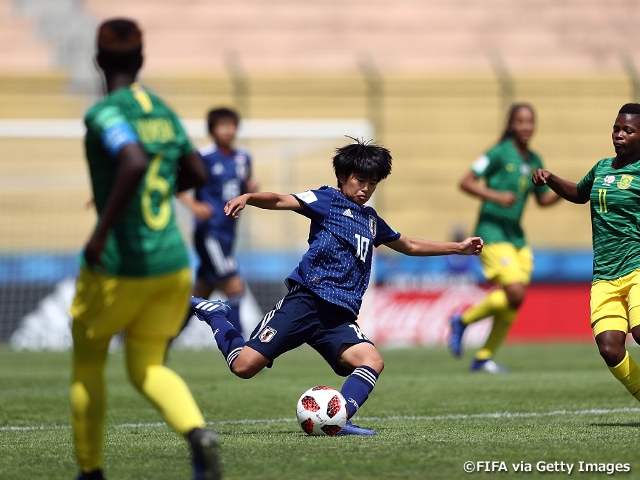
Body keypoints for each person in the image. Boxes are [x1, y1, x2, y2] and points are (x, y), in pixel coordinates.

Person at [189, 138, 484, 435]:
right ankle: (215, 314)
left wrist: (458, 248)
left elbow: (408, 245)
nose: (365, 188)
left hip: (338, 317)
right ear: (343, 177)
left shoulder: (371, 221)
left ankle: (338, 419)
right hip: (306, 302)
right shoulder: (327, 200)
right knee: (243, 367)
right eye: (359, 180)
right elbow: (282, 200)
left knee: (372, 361)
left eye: (372, 183)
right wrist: (250, 197)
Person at [69, 18, 221, 480]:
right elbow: (197, 172)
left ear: (98, 61)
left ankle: (91, 471)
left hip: (120, 264)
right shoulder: (162, 110)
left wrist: (99, 234)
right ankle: (197, 434)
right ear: (141, 60)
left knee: (88, 362)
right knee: (146, 366)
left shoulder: (105, 113)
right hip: (173, 265)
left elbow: (132, 161)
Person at [532, 103, 640, 407]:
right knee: (610, 348)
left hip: (637, 267)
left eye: (628, 130)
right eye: (616, 128)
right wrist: (551, 178)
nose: (619, 135)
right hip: (605, 274)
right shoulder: (602, 167)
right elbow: (580, 194)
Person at [448, 103, 561, 373]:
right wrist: (496, 196)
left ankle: (484, 357)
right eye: (521, 121)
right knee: (514, 292)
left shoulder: (534, 160)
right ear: (511, 124)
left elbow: (543, 200)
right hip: (492, 232)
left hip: (517, 238)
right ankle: (462, 320)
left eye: (530, 122)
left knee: (515, 299)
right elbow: (466, 181)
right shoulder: (498, 153)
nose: (526, 127)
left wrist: (575, 189)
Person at [177, 107, 258, 338]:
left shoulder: (243, 158)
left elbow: (242, 189)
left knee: (200, 294)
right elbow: (176, 184)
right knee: (235, 286)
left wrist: (251, 190)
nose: (228, 130)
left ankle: (164, 339)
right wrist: (193, 206)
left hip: (228, 233)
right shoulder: (203, 157)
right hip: (209, 233)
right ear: (212, 129)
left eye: (232, 125)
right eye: (223, 125)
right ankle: (241, 348)